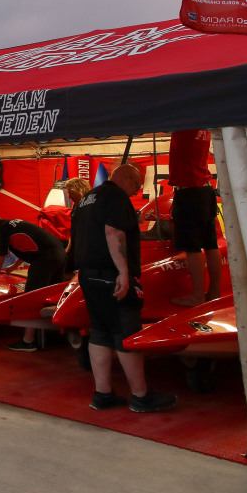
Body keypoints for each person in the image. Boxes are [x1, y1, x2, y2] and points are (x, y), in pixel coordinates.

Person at [72, 162, 176, 413]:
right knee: (126, 334)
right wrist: (123, 271)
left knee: (99, 333)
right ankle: (141, 396)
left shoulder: (88, 197)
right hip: (112, 276)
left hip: (88, 275)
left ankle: (102, 394)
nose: (136, 191)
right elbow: (112, 231)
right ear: (127, 178)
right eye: (136, 185)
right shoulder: (117, 196)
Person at [0, 211, 68, 352]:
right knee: (53, 296)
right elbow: (27, 247)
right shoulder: (13, 223)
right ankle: (57, 336)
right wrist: (14, 266)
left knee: (30, 298)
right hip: (60, 254)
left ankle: (28, 341)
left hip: (45, 258)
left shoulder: (2, 230)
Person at [167, 129, 221, 307]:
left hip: (190, 190)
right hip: (205, 189)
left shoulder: (184, 127)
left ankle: (197, 295)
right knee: (211, 244)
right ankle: (214, 292)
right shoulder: (204, 128)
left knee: (192, 246)